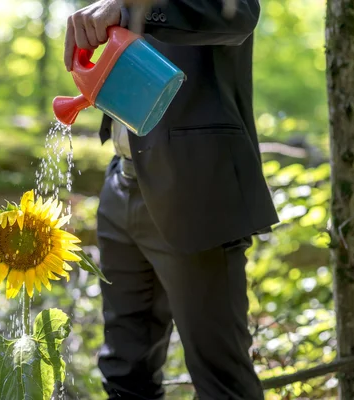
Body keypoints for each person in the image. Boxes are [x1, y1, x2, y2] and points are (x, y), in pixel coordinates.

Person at [63, 0, 278, 399]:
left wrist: (130, 7)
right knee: (124, 372)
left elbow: (239, 16)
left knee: (221, 382)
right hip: (121, 182)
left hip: (196, 191)